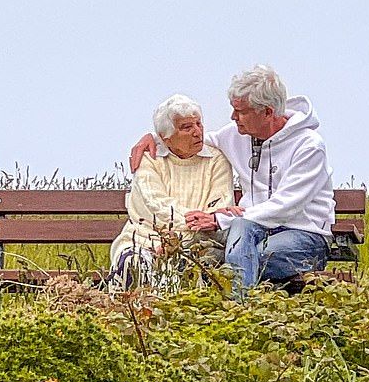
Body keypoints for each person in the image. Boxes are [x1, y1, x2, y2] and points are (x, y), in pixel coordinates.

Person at [129, 65, 335, 290]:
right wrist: (154, 138)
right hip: (247, 232)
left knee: (242, 255)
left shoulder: (309, 146)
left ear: (267, 112)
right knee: (224, 248)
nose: (232, 117)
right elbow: (191, 140)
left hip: (303, 235)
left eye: (241, 111)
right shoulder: (236, 135)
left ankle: (239, 311)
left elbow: (285, 205)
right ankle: (236, 310)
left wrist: (219, 220)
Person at [109, 94, 234, 291]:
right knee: (132, 266)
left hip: (199, 242)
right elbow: (157, 204)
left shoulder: (216, 160)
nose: (197, 132)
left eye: (199, 124)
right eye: (186, 127)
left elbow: (217, 210)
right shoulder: (150, 159)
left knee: (205, 264)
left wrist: (177, 241)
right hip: (146, 240)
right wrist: (187, 228)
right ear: (165, 139)